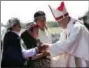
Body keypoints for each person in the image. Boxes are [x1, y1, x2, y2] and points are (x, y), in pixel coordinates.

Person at [41, 2, 89, 67]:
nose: (59, 25)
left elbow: (68, 45)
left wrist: (49, 47)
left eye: (59, 22)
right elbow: (62, 42)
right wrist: (49, 47)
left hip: (84, 59)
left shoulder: (77, 27)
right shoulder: (66, 29)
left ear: (64, 18)